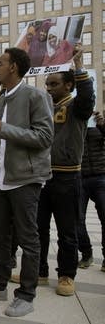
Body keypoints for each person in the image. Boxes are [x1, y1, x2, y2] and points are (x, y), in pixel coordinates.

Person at [0, 48, 53, 317]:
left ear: (13, 67)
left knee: (28, 239)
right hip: (0, 179)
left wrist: (3, 127)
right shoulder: (2, 99)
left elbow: (44, 137)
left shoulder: (36, 96)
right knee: (0, 236)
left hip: (25, 179)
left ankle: (26, 295)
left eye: (1, 63)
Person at [33, 48, 94, 296]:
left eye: (55, 84)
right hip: (42, 176)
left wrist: (79, 65)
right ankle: (40, 272)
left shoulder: (77, 107)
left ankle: (67, 275)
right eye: (47, 84)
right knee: (39, 229)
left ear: (69, 85)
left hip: (68, 176)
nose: (49, 88)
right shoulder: (44, 107)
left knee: (67, 231)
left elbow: (88, 98)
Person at [77, 111, 105, 272]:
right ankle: (86, 254)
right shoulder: (75, 124)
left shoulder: (97, 122)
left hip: (101, 177)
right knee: (77, 219)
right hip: (80, 178)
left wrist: (101, 124)